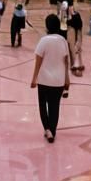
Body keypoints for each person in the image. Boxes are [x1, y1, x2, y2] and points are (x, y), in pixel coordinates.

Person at [31, 15, 70, 143]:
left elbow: (38, 61)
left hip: (44, 80)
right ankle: (52, 130)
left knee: (43, 105)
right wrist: (67, 79)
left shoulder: (44, 41)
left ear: (47, 26)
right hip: (58, 81)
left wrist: (34, 78)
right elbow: (66, 62)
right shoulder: (63, 41)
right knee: (55, 107)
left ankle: (47, 128)